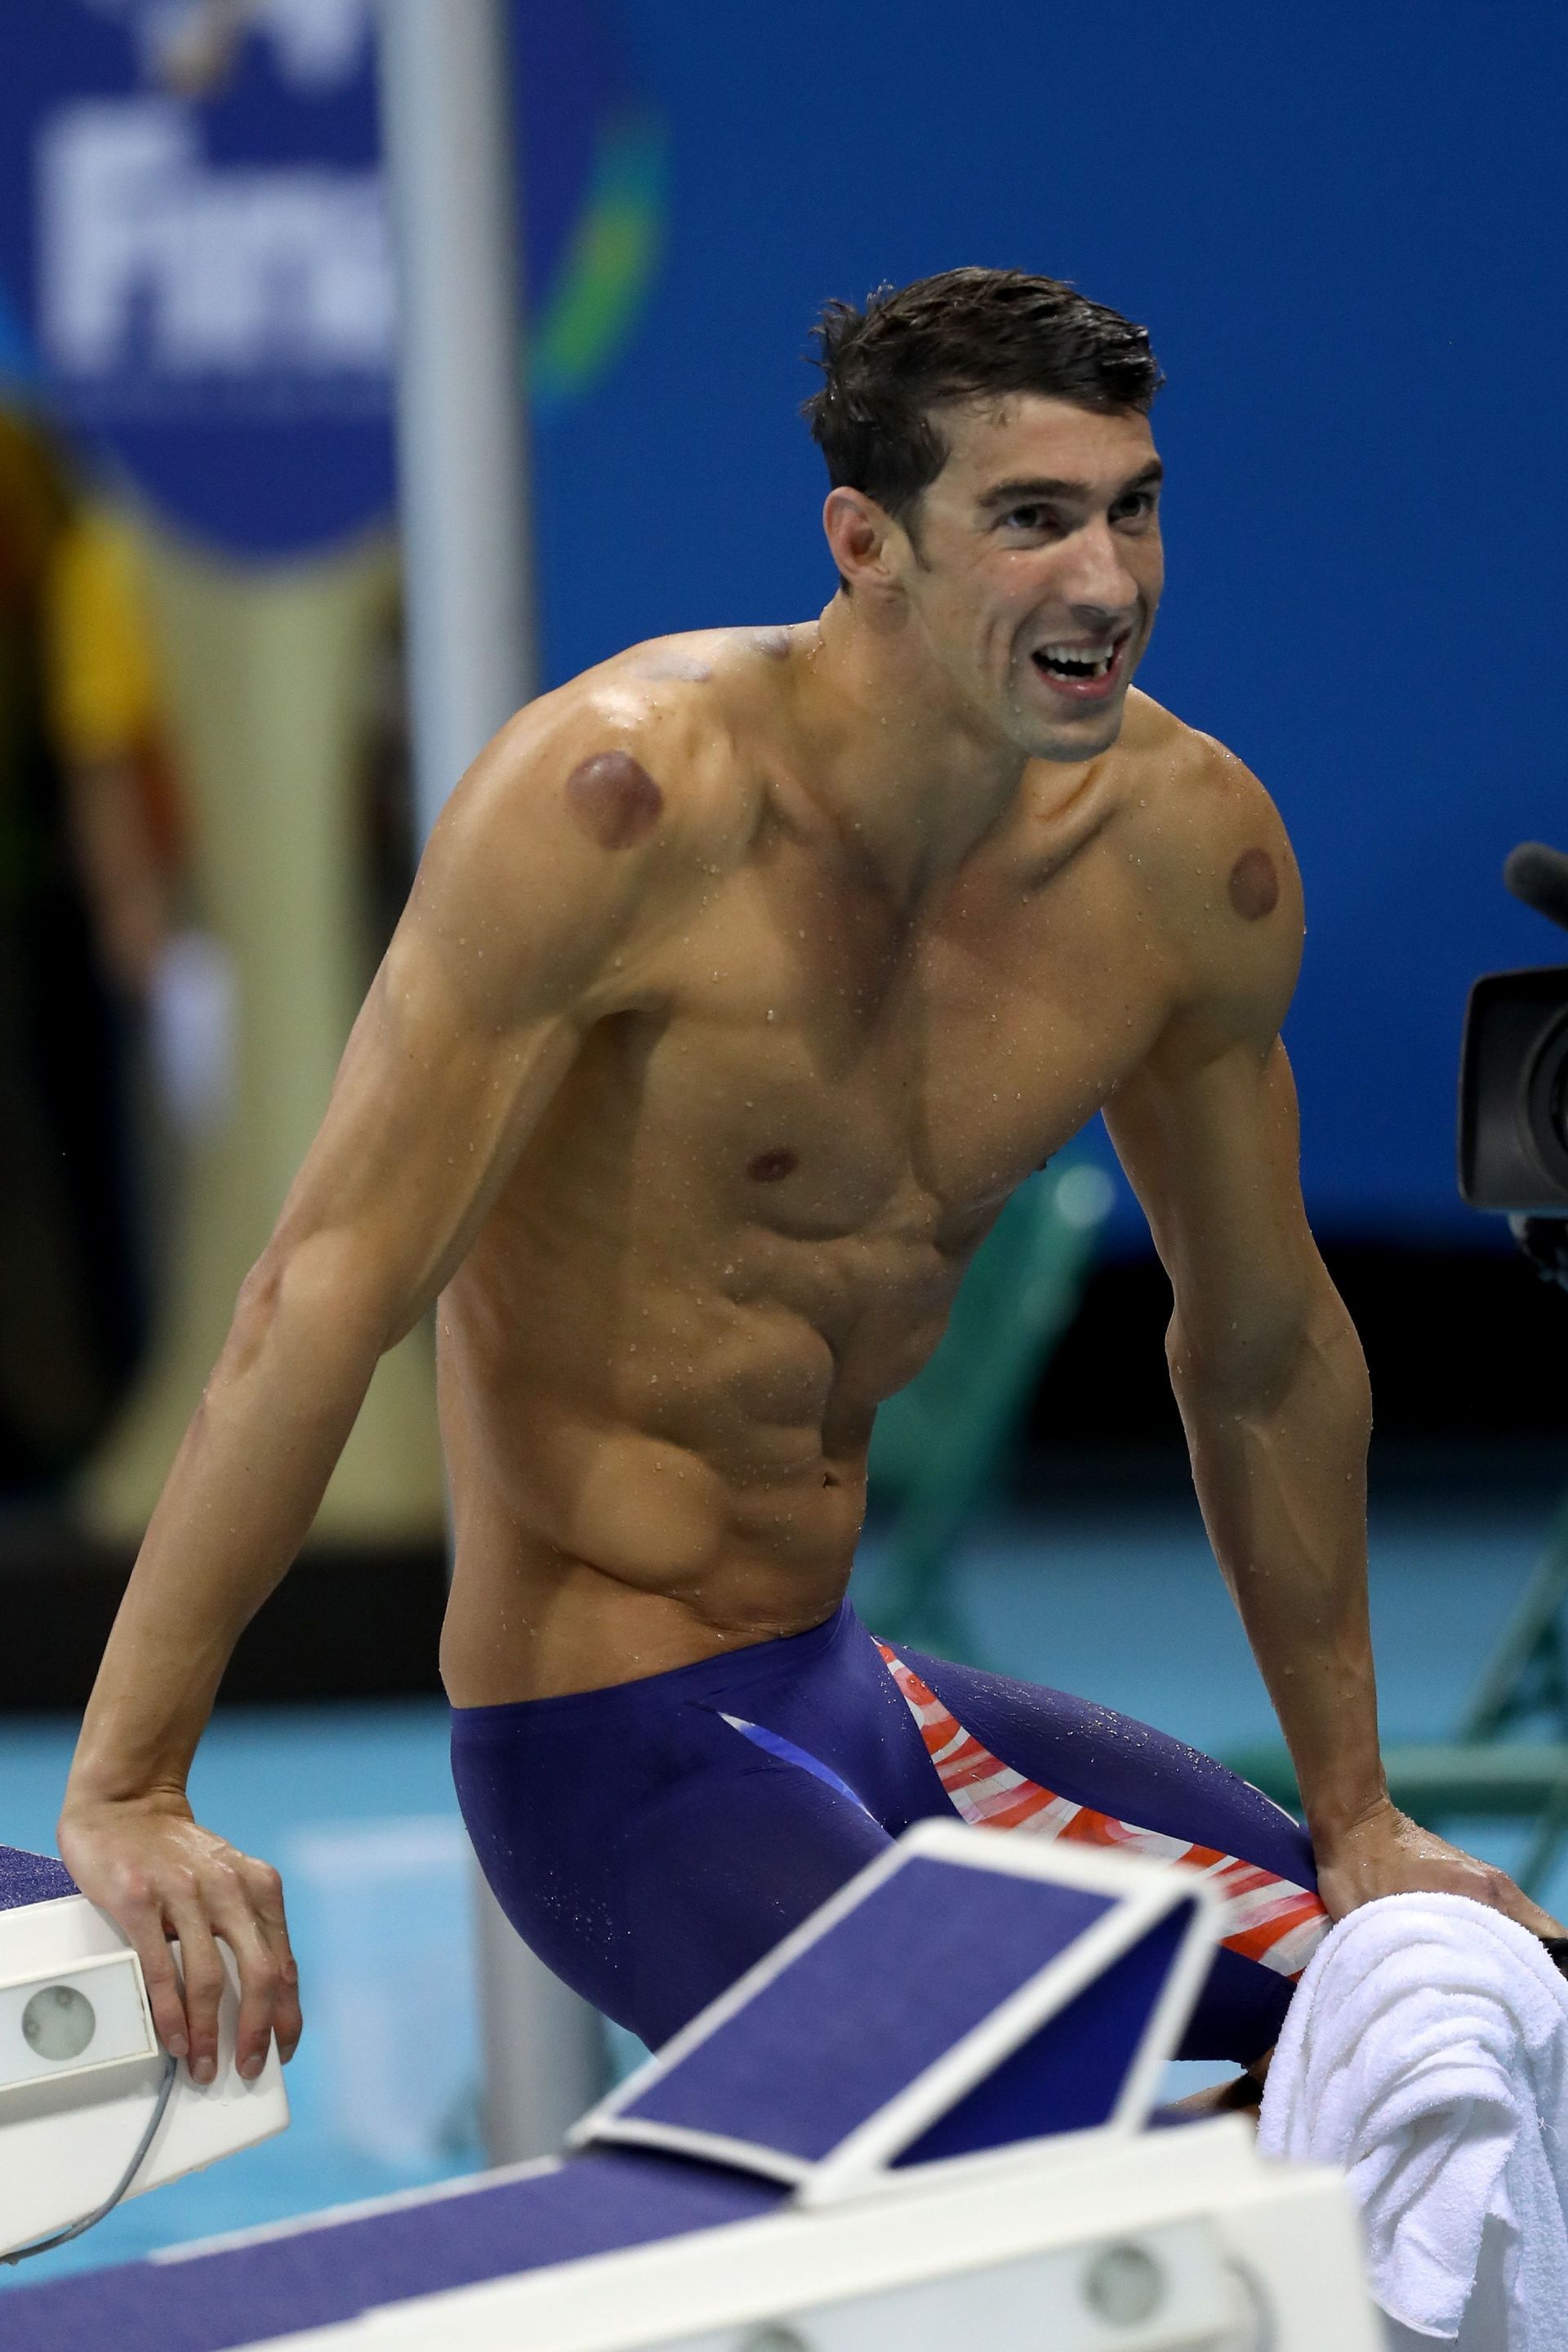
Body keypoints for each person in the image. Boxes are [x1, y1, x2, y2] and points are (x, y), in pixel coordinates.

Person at [57, 268, 1558, 2096]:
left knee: (1472, 1991)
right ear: (868, 542)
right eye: (1031, 520)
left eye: (1132, 508)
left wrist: (1363, 1817)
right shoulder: (621, 808)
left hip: (860, 1698)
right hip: (609, 1750)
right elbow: (330, 1288)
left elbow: (1261, 1352)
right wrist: (131, 1778)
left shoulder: (1189, 859)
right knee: (993, 2128)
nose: (1106, 580)